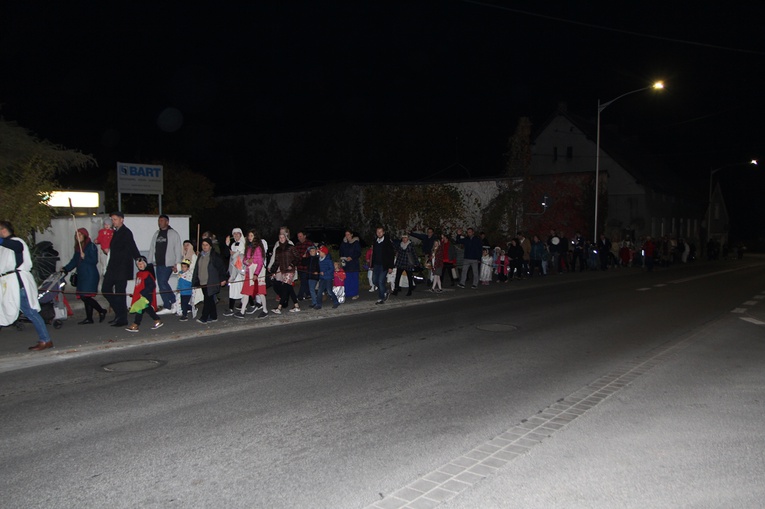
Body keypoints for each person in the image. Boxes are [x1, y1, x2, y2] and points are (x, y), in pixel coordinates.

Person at [0, 220, 54, 351]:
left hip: (16, 284)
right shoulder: (4, 246)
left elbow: (16, 248)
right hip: (8, 283)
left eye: (2, 229)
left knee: (31, 313)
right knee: (23, 312)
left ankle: (46, 340)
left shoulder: (17, 242)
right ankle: (45, 339)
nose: (1, 232)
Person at [102, 211, 140, 327]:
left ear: (121, 219)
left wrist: (139, 259)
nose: (113, 222)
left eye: (115, 219)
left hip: (122, 268)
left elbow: (132, 247)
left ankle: (122, 318)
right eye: (112, 219)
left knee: (120, 293)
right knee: (106, 289)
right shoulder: (115, 232)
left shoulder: (126, 232)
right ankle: (119, 313)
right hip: (113, 267)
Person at [62, 227, 106, 324]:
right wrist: (65, 269)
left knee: (85, 296)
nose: (78, 237)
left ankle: (101, 310)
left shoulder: (91, 246)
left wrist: (85, 257)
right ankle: (89, 318)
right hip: (82, 275)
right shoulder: (78, 247)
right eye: (76, 235)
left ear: (85, 236)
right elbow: (74, 261)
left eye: (80, 235)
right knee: (85, 296)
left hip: (90, 275)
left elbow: (94, 261)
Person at [149, 215, 183, 315]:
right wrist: (150, 262)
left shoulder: (173, 233)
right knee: (161, 284)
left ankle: (172, 302)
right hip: (159, 263)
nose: (160, 222)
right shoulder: (157, 233)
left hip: (168, 263)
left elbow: (177, 249)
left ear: (167, 222)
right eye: (159, 221)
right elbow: (152, 248)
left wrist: (177, 263)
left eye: (162, 220)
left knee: (163, 282)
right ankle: (169, 305)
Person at [192, 237, 228, 324]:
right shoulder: (200, 255)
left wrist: (223, 278)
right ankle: (213, 316)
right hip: (202, 281)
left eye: (206, 245)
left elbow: (221, 268)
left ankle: (204, 317)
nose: (204, 247)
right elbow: (197, 268)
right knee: (210, 299)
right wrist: (195, 280)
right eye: (203, 245)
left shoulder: (214, 256)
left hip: (211, 281)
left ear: (210, 246)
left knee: (207, 300)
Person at [125, 256, 163, 332]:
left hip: (146, 296)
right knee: (147, 309)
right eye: (138, 264)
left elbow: (152, 285)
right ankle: (157, 320)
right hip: (141, 296)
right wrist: (135, 294)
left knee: (140, 309)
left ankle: (136, 324)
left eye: (141, 263)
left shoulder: (147, 274)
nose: (140, 265)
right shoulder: (139, 274)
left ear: (145, 264)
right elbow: (138, 286)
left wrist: (143, 292)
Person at [270, 231, 300, 314]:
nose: (281, 239)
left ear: (286, 238)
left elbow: (297, 257)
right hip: (283, 270)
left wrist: (292, 264)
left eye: (283, 237)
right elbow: (276, 261)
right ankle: (297, 306)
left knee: (285, 287)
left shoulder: (291, 247)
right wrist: (274, 271)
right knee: (289, 288)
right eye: (280, 238)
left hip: (290, 271)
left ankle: (279, 308)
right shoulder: (278, 249)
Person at [224, 228, 246, 316]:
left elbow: (239, 254)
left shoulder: (243, 244)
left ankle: (235, 307)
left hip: (240, 269)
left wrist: (234, 253)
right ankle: (232, 307)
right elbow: (230, 255)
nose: (236, 235)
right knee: (235, 288)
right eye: (234, 234)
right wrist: (227, 245)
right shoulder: (233, 244)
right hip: (234, 268)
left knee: (241, 288)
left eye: (238, 234)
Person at [371, 227, 395, 304]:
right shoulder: (375, 241)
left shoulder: (387, 242)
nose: (379, 233)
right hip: (376, 265)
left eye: (380, 232)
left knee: (381, 281)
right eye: (378, 232)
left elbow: (391, 254)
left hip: (384, 265)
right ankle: (385, 290)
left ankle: (381, 298)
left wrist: (391, 266)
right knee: (374, 280)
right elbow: (373, 254)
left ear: (383, 232)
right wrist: (372, 265)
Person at [339, 229, 361, 300]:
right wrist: (342, 258)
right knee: (347, 279)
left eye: (348, 234)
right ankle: (347, 293)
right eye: (346, 234)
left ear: (351, 235)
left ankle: (355, 293)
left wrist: (352, 257)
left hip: (354, 263)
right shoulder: (344, 243)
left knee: (354, 279)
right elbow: (341, 251)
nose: (347, 236)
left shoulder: (356, 243)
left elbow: (358, 253)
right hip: (346, 264)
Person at [294, 230, 314, 301]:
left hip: (307, 266)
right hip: (299, 266)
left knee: (303, 280)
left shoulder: (309, 243)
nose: (299, 238)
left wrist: (307, 256)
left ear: (304, 236)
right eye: (298, 237)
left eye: (300, 236)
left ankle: (300, 295)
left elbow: (313, 253)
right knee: (304, 281)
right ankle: (309, 294)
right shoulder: (297, 245)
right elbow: (295, 255)